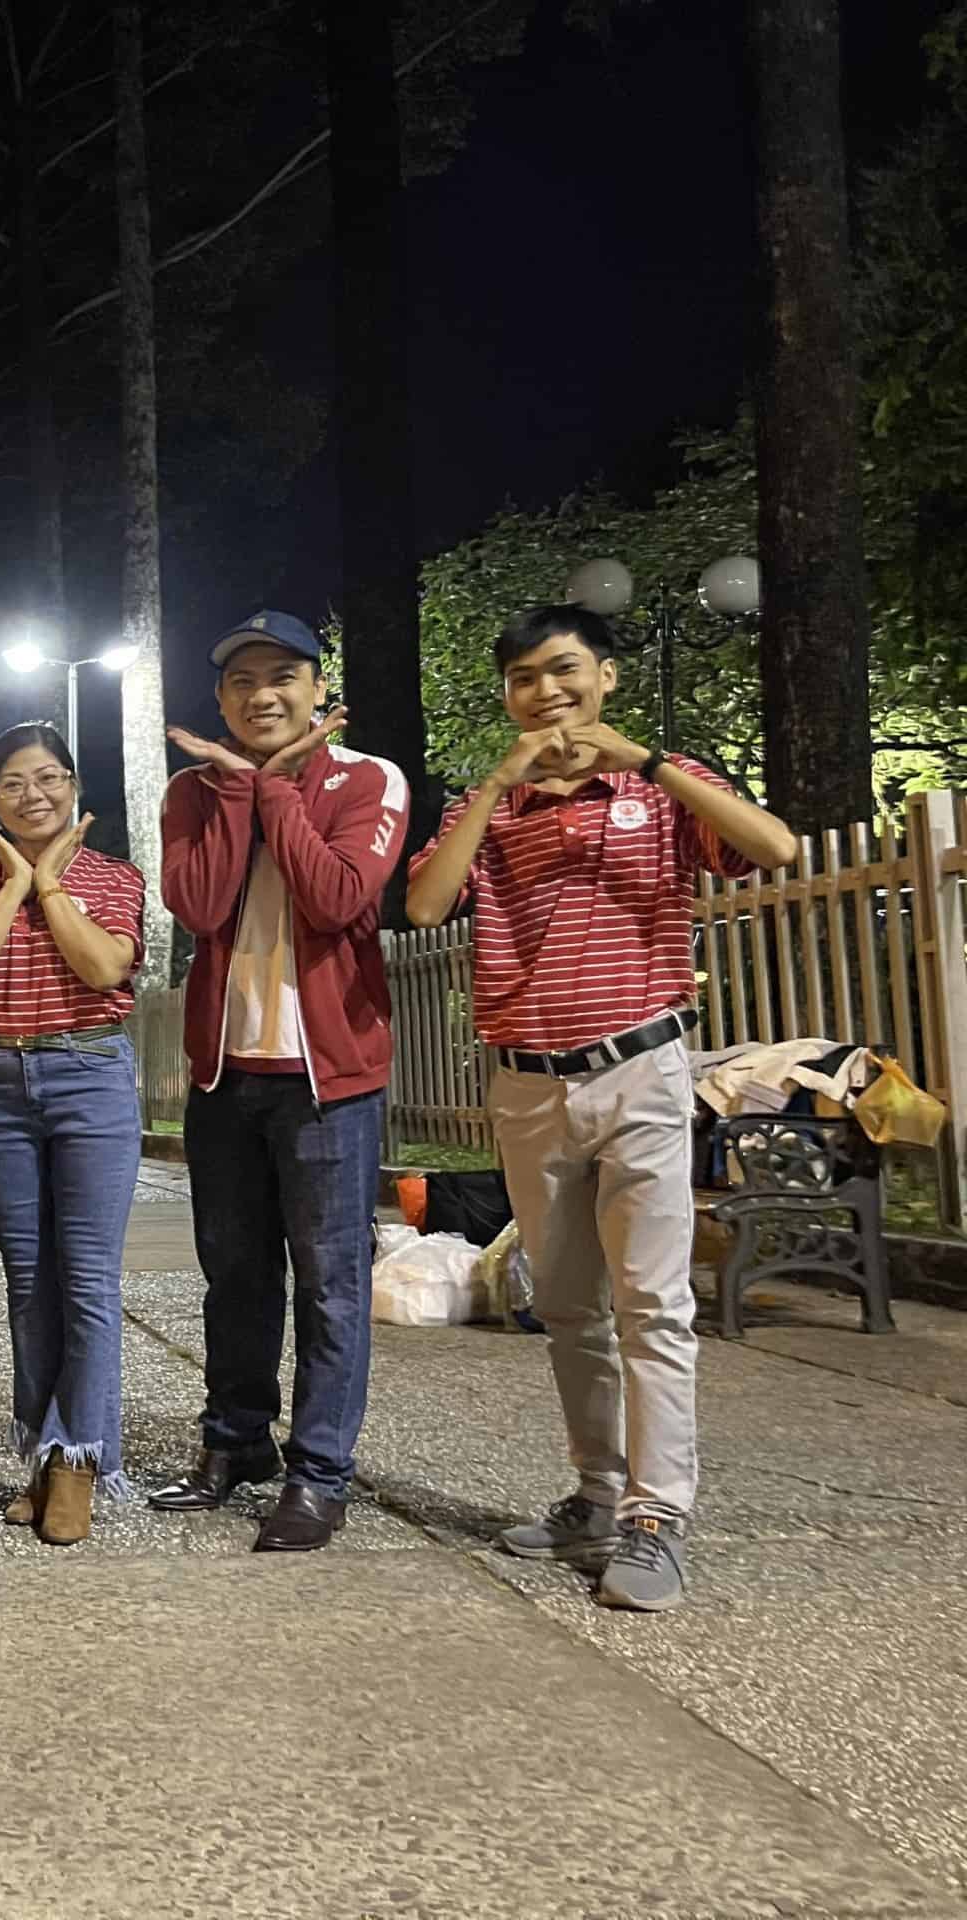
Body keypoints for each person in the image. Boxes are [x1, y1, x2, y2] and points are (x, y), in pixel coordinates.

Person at [406, 605, 796, 1612]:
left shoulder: (662, 786)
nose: (546, 692)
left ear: (606, 675)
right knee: (568, 1304)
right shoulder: (491, 807)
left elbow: (775, 846)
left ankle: (657, 1518)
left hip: (640, 1069)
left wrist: (648, 761)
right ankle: (596, 1493)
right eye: (524, 678)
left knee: (652, 1303)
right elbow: (424, 905)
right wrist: (497, 785)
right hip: (526, 1080)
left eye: (564, 669)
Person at [151, 611, 409, 1551]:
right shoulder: (192, 791)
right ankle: (235, 1443)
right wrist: (237, 789)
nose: (262, 695)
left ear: (317, 689)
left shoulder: (369, 778)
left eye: (282, 677)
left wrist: (275, 792)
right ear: (221, 700)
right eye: (242, 681)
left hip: (328, 1080)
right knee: (235, 1276)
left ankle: (319, 1472)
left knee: (331, 1284)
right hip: (226, 1075)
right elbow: (199, 903)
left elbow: (337, 897)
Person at [0, 722, 146, 1546]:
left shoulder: (113, 876)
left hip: (89, 1074)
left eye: (50, 777)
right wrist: (16, 885)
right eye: (14, 783)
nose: (35, 794)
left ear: (74, 785)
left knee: (86, 1282)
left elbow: (103, 967)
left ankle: (77, 1463)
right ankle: (46, 1456)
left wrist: (50, 886)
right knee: (28, 1284)